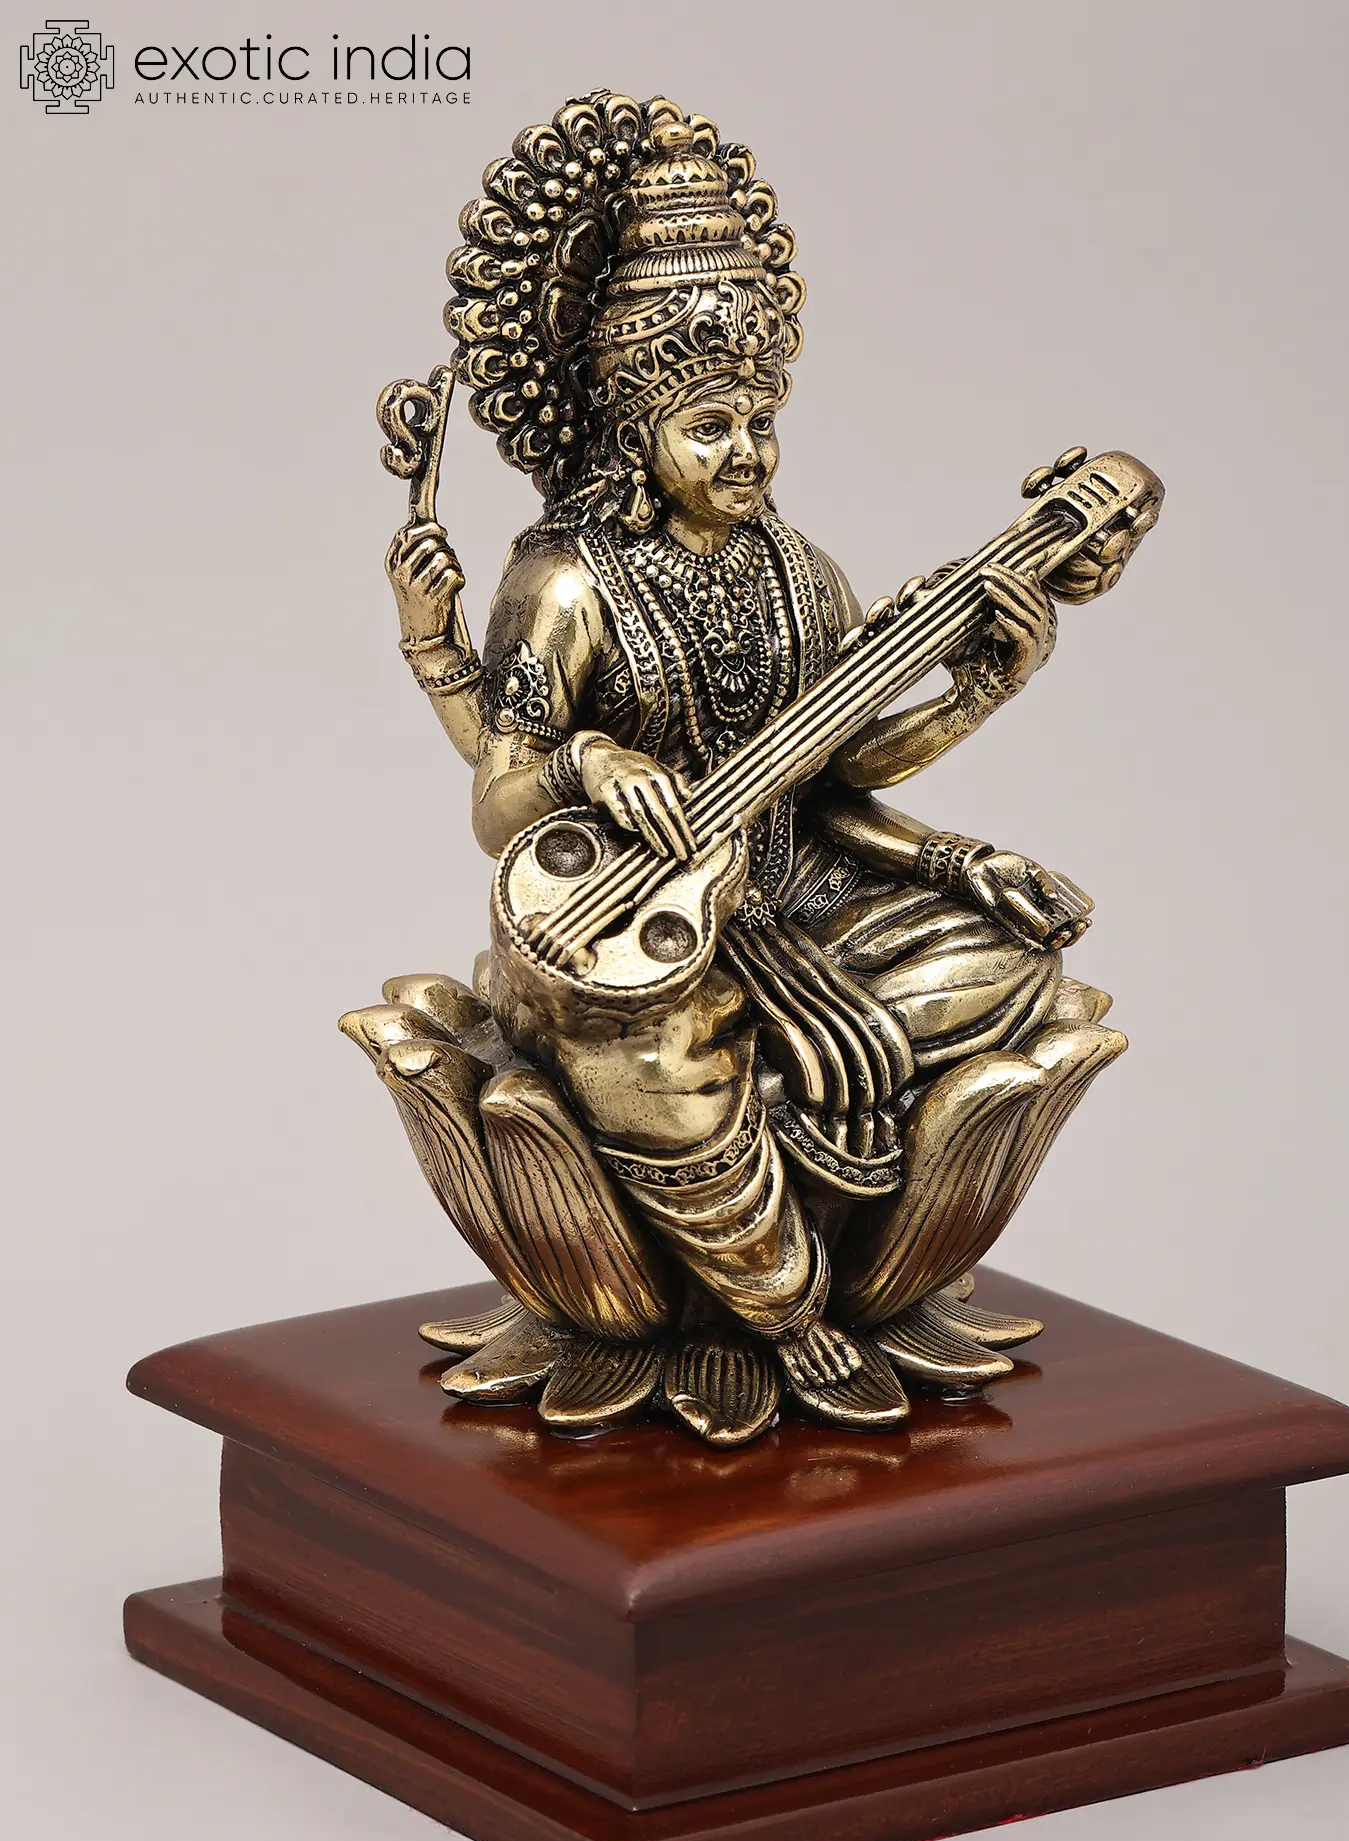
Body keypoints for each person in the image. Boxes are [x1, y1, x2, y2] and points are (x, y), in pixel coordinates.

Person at [382, 95, 1124, 1425]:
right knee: (656, 1065)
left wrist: (981, 701)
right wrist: (591, 766)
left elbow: (838, 774)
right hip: (618, 943)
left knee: (1015, 968)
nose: (746, 454)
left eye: (760, 423)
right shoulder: (565, 578)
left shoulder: (801, 569)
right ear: (635, 432)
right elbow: (500, 800)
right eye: (709, 427)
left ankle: (803, 1174)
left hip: (794, 902)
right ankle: (780, 1302)